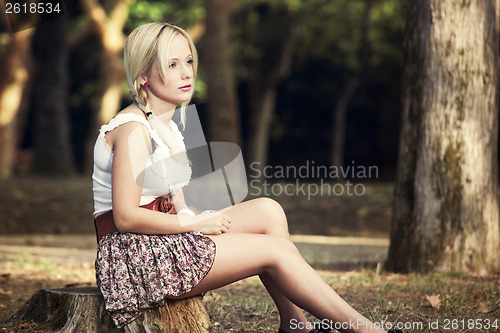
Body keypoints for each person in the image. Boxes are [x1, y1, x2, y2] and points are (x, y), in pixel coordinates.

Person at [92, 22, 402, 333]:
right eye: (171, 65)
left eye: (188, 61)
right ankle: (367, 331)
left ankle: (295, 324)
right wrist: (195, 225)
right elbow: (126, 218)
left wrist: (196, 218)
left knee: (267, 210)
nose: (187, 73)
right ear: (143, 76)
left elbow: (176, 203)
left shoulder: (165, 126)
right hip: (133, 261)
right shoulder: (133, 130)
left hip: (161, 241)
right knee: (275, 252)